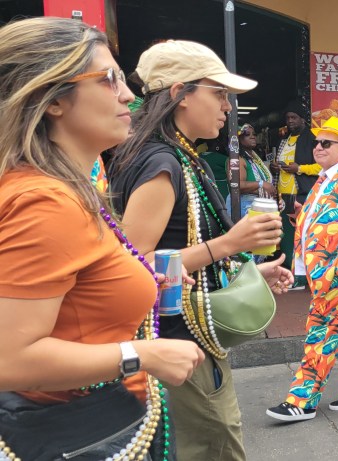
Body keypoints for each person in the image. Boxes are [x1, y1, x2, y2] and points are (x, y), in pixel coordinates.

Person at [0, 17, 204, 459]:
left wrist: (129, 278)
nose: (128, 95)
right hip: (78, 431)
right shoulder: (45, 200)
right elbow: (9, 359)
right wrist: (141, 355)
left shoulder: (63, 186)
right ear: (53, 99)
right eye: (109, 79)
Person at [108, 39, 293, 461]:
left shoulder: (181, 157)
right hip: (175, 342)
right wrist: (231, 243)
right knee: (214, 445)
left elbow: (178, 248)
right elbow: (131, 265)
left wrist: (244, 272)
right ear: (180, 93)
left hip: (187, 340)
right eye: (219, 93)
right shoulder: (161, 163)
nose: (227, 107)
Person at [267, 117, 338, 422]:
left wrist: (337, 273)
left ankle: (302, 400)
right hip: (323, 272)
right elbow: (329, 219)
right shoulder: (325, 179)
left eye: (326, 143)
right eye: (317, 142)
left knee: (321, 330)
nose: (318, 147)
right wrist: (303, 217)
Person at [273, 100, 319, 280]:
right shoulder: (283, 139)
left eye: (294, 117)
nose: (290, 121)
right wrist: (275, 167)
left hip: (303, 194)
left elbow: (321, 167)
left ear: (302, 119)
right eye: (288, 118)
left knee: (302, 234)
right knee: (286, 236)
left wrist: (299, 168)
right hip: (283, 196)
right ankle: (289, 272)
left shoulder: (312, 139)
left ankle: (301, 277)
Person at [230, 123, 277, 217]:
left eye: (254, 134)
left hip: (260, 204)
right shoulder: (237, 159)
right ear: (238, 139)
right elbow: (237, 185)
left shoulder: (254, 158)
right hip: (247, 206)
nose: (253, 137)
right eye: (247, 134)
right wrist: (262, 184)